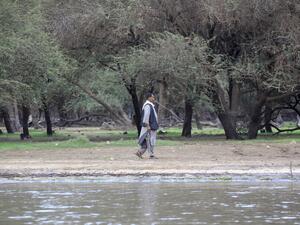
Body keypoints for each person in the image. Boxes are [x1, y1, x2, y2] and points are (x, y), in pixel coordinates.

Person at [136, 93, 159, 159]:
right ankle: (151, 155)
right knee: (150, 141)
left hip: (152, 126)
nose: (154, 98)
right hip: (149, 127)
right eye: (153, 97)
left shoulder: (150, 105)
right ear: (149, 98)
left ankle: (140, 152)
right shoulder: (148, 106)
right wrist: (148, 125)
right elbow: (146, 116)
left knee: (148, 141)